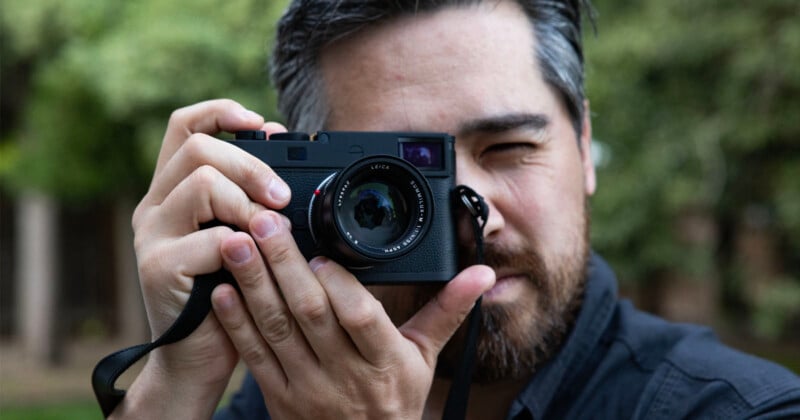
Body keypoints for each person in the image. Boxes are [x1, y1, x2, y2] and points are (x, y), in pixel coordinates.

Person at [113, 0, 800, 418]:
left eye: (507, 147)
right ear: (300, 183)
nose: (471, 214)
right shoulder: (287, 401)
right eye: (391, 178)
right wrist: (173, 386)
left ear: (585, 146)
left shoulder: (744, 411)